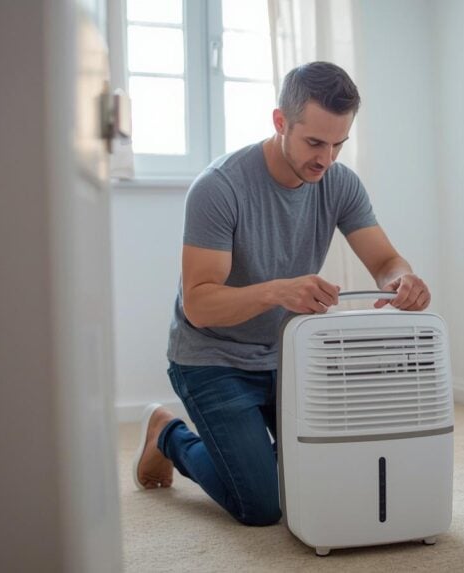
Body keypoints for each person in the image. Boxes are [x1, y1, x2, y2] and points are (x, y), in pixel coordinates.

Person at [132, 61, 431, 526]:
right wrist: (277, 291)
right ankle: (168, 435)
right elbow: (200, 304)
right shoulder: (219, 187)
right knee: (263, 506)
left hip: (288, 355)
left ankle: (254, 453)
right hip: (212, 359)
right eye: (314, 142)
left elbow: (385, 261)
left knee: (333, 472)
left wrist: (402, 279)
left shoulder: (340, 183)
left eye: (338, 144)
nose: (326, 159)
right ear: (280, 122)